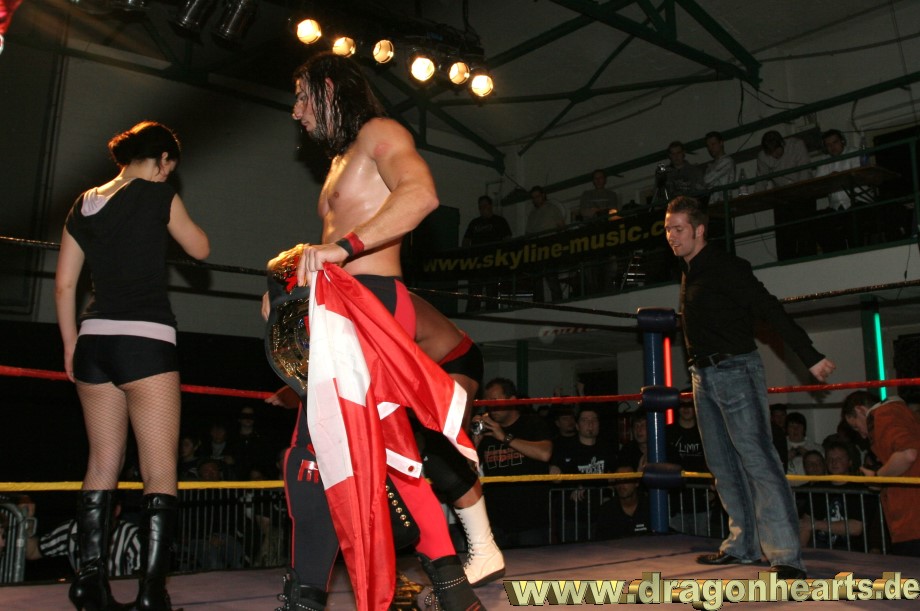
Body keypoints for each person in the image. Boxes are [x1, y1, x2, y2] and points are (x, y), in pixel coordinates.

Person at [281, 52, 482, 610]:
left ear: (328, 88)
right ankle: (453, 590)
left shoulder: (380, 133)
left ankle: (304, 598)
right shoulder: (339, 161)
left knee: (314, 450)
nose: (296, 111)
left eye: (302, 96)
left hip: (373, 302)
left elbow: (421, 196)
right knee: (389, 451)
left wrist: (343, 249)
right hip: (339, 307)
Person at [54, 121, 209, 611]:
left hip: (93, 340)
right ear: (162, 160)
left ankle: (89, 582)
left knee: (102, 462)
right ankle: (150, 593)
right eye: (169, 168)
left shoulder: (84, 202)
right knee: (159, 470)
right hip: (145, 341)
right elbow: (200, 248)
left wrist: (69, 344)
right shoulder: (156, 194)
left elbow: (64, 284)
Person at [663, 195, 835, 580]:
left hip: (735, 370)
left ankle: (786, 555)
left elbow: (768, 307)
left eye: (678, 229)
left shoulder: (725, 266)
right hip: (702, 375)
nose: (671, 236)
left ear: (700, 230)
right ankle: (741, 545)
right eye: (668, 230)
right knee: (722, 465)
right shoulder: (690, 270)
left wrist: (809, 355)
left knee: (758, 461)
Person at [472, 377, 553, 547]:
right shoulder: (487, 430)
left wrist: (504, 437)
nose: (491, 407)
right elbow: (468, 470)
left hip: (530, 520)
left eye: (495, 401)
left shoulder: (532, 423)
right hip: (496, 520)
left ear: (512, 400)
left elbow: (544, 453)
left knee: (534, 562)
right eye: (488, 402)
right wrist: (474, 442)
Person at [841, 391, 920, 557]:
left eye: (856, 426)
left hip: (912, 520)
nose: (862, 434)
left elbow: (907, 453)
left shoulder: (882, 415)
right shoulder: (904, 414)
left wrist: (877, 478)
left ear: (861, 410)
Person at [26, 498, 142, 578]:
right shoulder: (72, 529)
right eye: (89, 508)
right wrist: (26, 521)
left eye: (99, 508)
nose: (94, 515)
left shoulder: (133, 537)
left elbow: (141, 583)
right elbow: (32, 551)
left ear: (116, 510)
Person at [549, 406, 617, 542]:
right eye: (585, 420)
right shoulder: (565, 448)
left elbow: (614, 475)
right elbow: (556, 476)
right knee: (571, 551)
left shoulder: (607, 448)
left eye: (594, 420)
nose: (590, 424)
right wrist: (574, 485)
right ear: (577, 425)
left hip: (600, 514)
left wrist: (608, 492)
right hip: (572, 515)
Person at [797, 441, 867, 551]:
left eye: (839, 458)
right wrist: (801, 551)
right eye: (830, 459)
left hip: (852, 551)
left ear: (849, 462)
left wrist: (816, 524)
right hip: (820, 550)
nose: (834, 462)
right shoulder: (818, 488)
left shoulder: (860, 488)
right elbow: (806, 523)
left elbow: (856, 527)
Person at [755, 130, 814, 259]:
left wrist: (798, 191)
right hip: (782, 198)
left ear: (783, 143)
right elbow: (761, 180)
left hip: (802, 193)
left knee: (805, 233)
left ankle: (809, 259)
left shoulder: (797, 145)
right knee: (784, 237)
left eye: (776, 151)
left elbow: (805, 171)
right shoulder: (763, 156)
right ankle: (786, 262)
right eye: (770, 153)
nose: (774, 155)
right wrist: (756, 199)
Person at [462, 194, 512, 312]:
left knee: (491, 291)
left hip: (493, 262)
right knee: (474, 292)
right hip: (476, 263)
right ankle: (472, 315)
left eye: (485, 205)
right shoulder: (474, 223)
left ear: (490, 206)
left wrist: (502, 256)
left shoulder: (499, 221)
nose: (483, 208)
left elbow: (507, 239)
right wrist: (467, 255)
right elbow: (466, 241)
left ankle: (491, 315)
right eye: (480, 206)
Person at [524, 185, 565, 302]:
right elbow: (528, 233)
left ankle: (558, 303)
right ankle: (538, 304)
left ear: (543, 195)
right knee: (536, 278)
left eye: (537, 196)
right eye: (533, 197)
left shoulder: (552, 208)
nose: (536, 199)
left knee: (551, 276)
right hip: (536, 249)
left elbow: (561, 227)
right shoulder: (532, 214)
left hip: (550, 246)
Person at [594, 465, 650, 540]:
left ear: (636, 483)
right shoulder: (607, 510)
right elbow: (600, 542)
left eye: (626, 479)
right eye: (618, 480)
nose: (621, 485)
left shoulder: (650, 506)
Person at [785, 411, 823, 484]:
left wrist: (808, 456)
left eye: (799, 426)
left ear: (804, 428)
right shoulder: (778, 447)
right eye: (791, 426)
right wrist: (784, 459)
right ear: (787, 429)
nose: (795, 429)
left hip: (810, 487)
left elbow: (824, 470)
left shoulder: (817, 448)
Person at [702, 131, 735, 204]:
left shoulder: (727, 161)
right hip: (713, 203)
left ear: (721, 143)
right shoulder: (711, 166)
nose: (710, 148)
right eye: (708, 146)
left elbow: (706, 180)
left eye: (713, 144)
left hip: (723, 201)